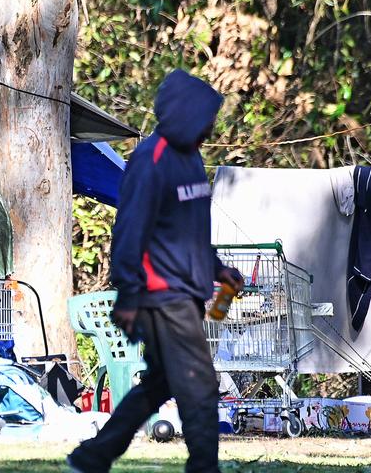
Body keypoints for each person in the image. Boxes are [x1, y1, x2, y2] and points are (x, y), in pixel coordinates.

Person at [68, 69, 244, 473]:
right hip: (157, 294)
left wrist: (218, 270)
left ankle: (92, 456)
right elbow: (130, 231)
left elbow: (189, 232)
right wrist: (128, 297)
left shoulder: (191, 159)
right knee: (200, 383)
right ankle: (204, 467)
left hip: (186, 291)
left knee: (161, 382)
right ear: (184, 117)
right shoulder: (151, 160)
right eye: (204, 122)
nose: (208, 131)